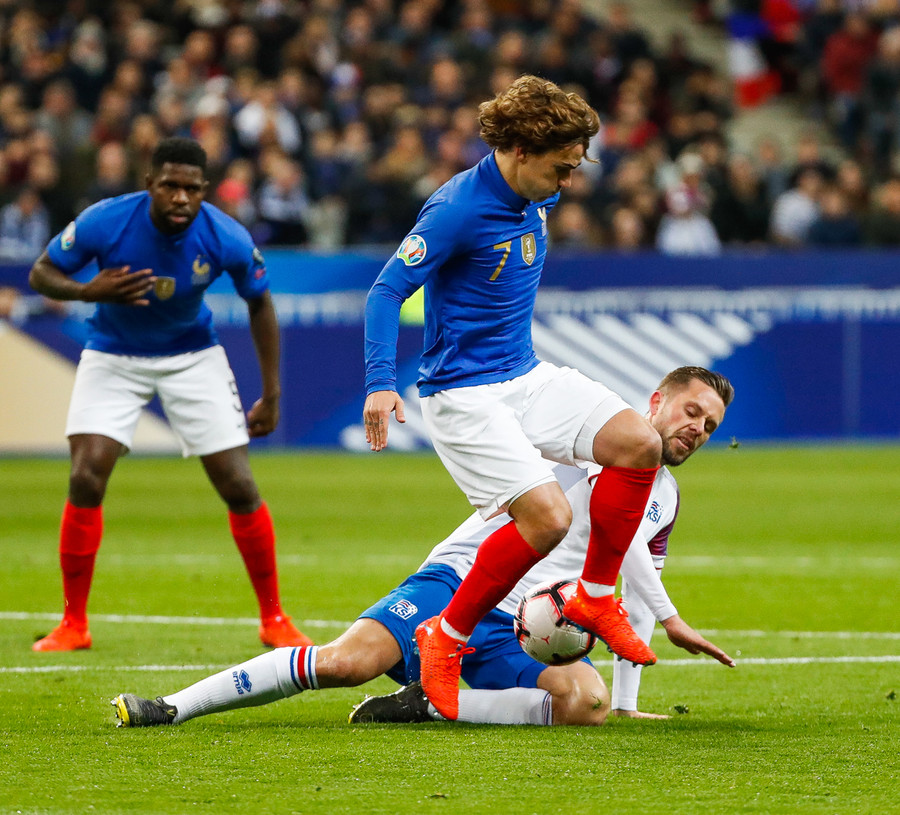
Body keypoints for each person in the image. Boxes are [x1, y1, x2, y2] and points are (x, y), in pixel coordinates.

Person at [112, 367, 736, 729]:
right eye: (690, 411)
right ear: (657, 401)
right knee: (344, 664)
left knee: (584, 703)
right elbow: (623, 551)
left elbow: (637, 594)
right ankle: (170, 708)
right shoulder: (604, 439)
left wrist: (626, 704)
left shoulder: (667, 497)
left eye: (709, 426)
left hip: (521, 626)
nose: (697, 429)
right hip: (461, 582)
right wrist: (675, 618)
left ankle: (429, 704)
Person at [363, 74, 664, 721]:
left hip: (524, 376)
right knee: (548, 518)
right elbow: (385, 291)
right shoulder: (455, 210)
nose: (569, 182)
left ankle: (594, 597)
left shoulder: (537, 190)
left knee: (641, 443)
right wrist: (380, 382)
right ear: (521, 151)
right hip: (463, 394)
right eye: (562, 167)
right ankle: (445, 637)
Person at [27, 136, 310, 653]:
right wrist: (87, 291)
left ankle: (274, 618)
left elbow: (260, 303)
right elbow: (41, 272)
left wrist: (272, 394)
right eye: (170, 186)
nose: (181, 197)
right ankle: (73, 623)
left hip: (192, 357)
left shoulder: (225, 235)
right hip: (112, 354)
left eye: (192, 189)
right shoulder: (105, 221)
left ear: (204, 190)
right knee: (86, 475)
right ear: (149, 184)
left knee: (239, 485)